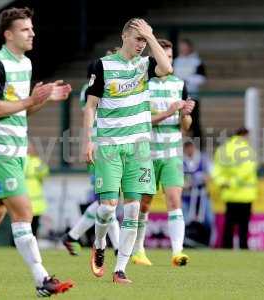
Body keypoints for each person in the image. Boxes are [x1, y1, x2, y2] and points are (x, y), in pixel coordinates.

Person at [0, 7, 74, 297]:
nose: (32, 33)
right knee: (24, 212)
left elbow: (23, 110)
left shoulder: (25, 64)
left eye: (32, 28)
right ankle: (42, 280)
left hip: (15, 149)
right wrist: (30, 99)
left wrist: (44, 98)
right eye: (25, 29)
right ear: (8, 34)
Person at [83, 18, 173, 284]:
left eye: (145, 41)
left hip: (139, 147)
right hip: (109, 146)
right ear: (124, 37)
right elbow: (90, 106)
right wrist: (87, 140)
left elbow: (166, 68)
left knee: (133, 210)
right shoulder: (102, 65)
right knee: (108, 209)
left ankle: (120, 269)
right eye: (138, 39)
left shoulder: (145, 65)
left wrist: (152, 36)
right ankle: (99, 243)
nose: (142, 45)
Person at [130, 39, 195, 267]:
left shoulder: (180, 83)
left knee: (174, 200)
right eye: (162, 57)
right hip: (146, 153)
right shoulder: (142, 84)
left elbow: (185, 126)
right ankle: (138, 250)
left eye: (169, 57)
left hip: (172, 154)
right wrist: (168, 112)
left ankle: (178, 253)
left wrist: (186, 114)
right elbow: (140, 120)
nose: (166, 61)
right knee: (144, 203)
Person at [61, 47, 121, 257]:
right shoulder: (92, 88)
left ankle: (73, 236)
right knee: (107, 200)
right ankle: (117, 245)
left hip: (109, 145)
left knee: (107, 200)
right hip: (99, 146)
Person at [212, 127, 258, 249]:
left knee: (229, 223)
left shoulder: (222, 150)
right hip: (245, 194)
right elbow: (247, 171)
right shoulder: (247, 150)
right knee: (244, 225)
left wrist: (223, 182)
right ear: (245, 135)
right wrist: (234, 182)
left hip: (229, 193)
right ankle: (243, 247)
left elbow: (216, 170)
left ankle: (226, 247)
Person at [173, 39, 207, 147]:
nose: (183, 49)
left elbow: (202, 78)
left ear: (190, 47)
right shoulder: (176, 61)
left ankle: (199, 148)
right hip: (177, 97)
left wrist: (187, 79)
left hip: (192, 96)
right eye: (181, 47)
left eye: (185, 46)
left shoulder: (197, 61)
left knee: (194, 123)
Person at [182, 141, 214, 247]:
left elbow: (211, 173)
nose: (188, 150)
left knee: (208, 219)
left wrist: (203, 178)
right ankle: (186, 242)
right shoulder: (181, 160)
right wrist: (186, 184)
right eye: (186, 147)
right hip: (187, 196)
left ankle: (208, 242)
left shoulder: (203, 158)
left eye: (190, 147)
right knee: (185, 220)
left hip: (202, 195)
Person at [25, 142, 49, 236]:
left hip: (35, 201)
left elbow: (44, 171)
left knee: (31, 225)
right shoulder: (34, 161)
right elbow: (44, 172)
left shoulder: (36, 161)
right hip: (27, 199)